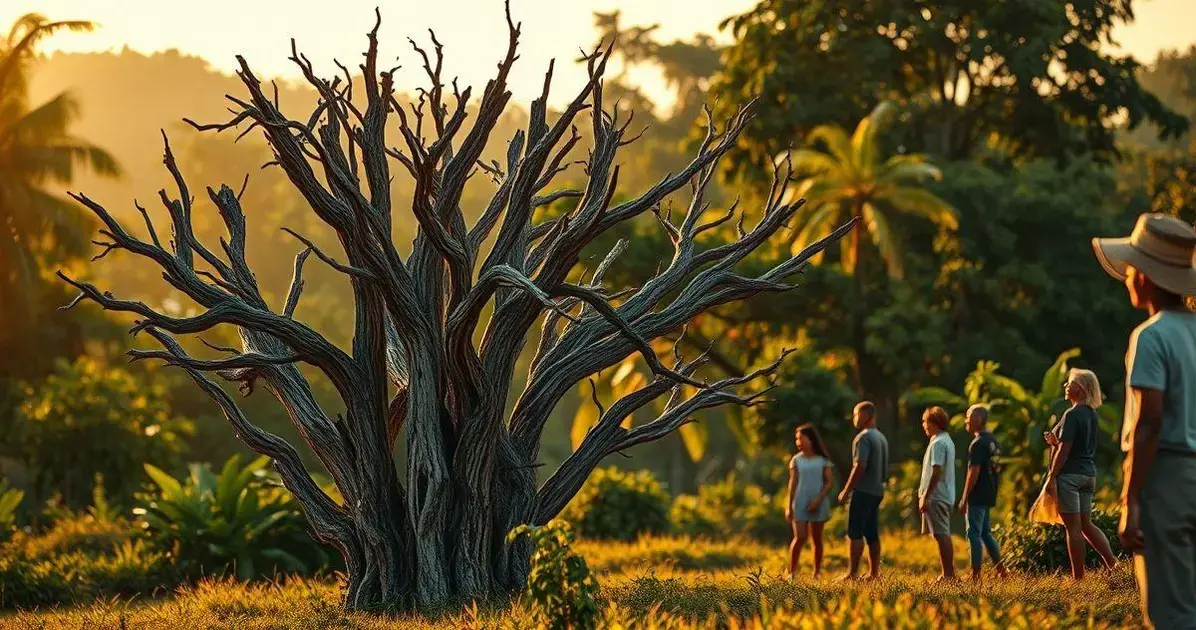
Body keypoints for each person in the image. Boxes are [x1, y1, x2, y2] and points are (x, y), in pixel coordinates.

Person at [1093, 213, 1196, 629]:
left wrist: (1131, 500)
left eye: (1132, 269)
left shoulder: (1151, 336)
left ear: (1146, 278)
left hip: (1167, 478)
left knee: (1171, 611)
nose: (1128, 277)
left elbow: (1149, 422)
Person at [1043, 368, 1118, 580]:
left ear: (1082, 389)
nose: (1066, 386)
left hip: (1070, 476)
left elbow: (1065, 450)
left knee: (1073, 528)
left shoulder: (1072, 414)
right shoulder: (1091, 414)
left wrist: (1051, 476)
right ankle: (1113, 564)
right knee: (1086, 524)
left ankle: (1078, 578)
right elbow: (1076, 445)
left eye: (1071, 383)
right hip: (1088, 475)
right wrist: (1055, 442)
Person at [836, 401, 889, 581]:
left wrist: (846, 490)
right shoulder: (881, 438)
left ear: (866, 416)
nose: (854, 418)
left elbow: (860, 465)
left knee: (855, 531)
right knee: (871, 531)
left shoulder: (863, 438)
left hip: (863, 490)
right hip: (877, 491)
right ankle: (874, 573)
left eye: (856, 414)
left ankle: (852, 573)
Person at [957, 404, 1008, 581]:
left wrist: (964, 497)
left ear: (978, 419)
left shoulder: (977, 444)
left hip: (977, 494)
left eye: (968, 417)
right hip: (989, 492)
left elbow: (974, 471)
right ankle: (1002, 571)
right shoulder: (993, 441)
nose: (966, 421)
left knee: (973, 533)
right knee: (985, 533)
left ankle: (975, 574)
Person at [784, 424, 835, 579]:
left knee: (817, 539)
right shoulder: (796, 460)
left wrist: (818, 499)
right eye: (796, 439)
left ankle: (816, 572)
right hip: (800, 502)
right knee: (800, 537)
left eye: (801, 438)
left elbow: (829, 482)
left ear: (811, 439)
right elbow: (792, 483)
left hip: (818, 503)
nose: (798, 442)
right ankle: (792, 573)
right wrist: (789, 506)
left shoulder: (823, 460)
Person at [918, 406, 957, 581]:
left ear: (934, 423)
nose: (924, 426)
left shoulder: (939, 443)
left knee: (941, 534)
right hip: (943, 494)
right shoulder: (943, 440)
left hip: (937, 495)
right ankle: (947, 573)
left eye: (925, 422)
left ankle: (948, 574)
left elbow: (936, 471)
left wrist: (926, 496)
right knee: (940, 534)